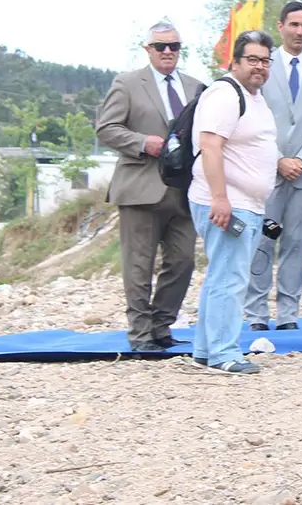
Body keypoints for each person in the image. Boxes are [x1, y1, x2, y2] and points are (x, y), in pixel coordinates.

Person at [96, 21, 204, 353]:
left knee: (184, 260)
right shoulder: (127, 84)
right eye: (161, 46)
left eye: (174, 46)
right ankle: (141, 335)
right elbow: (106, 128)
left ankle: (162, 324)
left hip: (183, 191)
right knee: (138, 266)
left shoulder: (197, 87)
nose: (168, 52)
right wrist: (144, 142)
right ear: (148, 50)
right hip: (140, 186)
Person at [188, 31, 279, 374]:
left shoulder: (252, 97)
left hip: (244, 202)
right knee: (230, 278)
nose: (259, 67)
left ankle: (206, 348)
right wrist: (220, 198)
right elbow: (210, 145)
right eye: (252, 59)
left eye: (265, 60)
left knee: (221, 276)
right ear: (235, 62)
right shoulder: (225, 94)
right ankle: (224, 353)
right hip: (227, 201)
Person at [244, 2, 302, 332]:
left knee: (295, 243)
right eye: (294, 24)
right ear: (281, 26)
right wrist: (278, 159)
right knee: (263, 239)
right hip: (266, 171)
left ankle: (288, 313)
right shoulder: (262, 70)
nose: (300, 31)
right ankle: (256, 312)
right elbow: (251, 118)